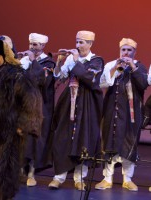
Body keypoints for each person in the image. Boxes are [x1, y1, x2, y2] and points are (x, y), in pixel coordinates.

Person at [0, 39, 43, 200]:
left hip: (8, 132)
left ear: (6, 56)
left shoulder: (17, 75)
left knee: (3, 174)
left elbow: (32, 101)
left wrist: (23, 125)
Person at [46, 30, 104, 190]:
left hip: (87, 102)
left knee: (84, 138)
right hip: (68, 101)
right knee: (62, 137)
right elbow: (61, 77)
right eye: (77, 42)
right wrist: (59, 63)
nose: (78, 45)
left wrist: (77, 60)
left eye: (82, 42)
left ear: (90, 44)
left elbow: (90, 79)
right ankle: (59, 177)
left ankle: (80, 178)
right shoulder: (71, 58)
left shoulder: (97, 60)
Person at [95, 38, 148, 191]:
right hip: (112, 110)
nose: (126, 53)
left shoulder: (139, 66)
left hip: (132, 114)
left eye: (129, 50)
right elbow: (102, 83)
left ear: (134, 52)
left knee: (128, 144)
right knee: (110, 143)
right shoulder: (111, 65)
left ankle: (127, 179)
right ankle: (107, 178)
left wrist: (132, 67)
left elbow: (143, 84)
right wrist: (115, 69)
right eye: (123, 50)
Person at [17, 33, 56, 187]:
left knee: (34, 140)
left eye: (35, 45)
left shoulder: (49, 63)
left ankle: (32, 173)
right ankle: (20, 171)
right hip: (23, 106)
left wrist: (33, 61)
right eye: (31, 44)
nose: (32, 47)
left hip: (40, 107)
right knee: (20, 138)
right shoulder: (23, 61)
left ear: (43, 46)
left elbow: (41, 80)